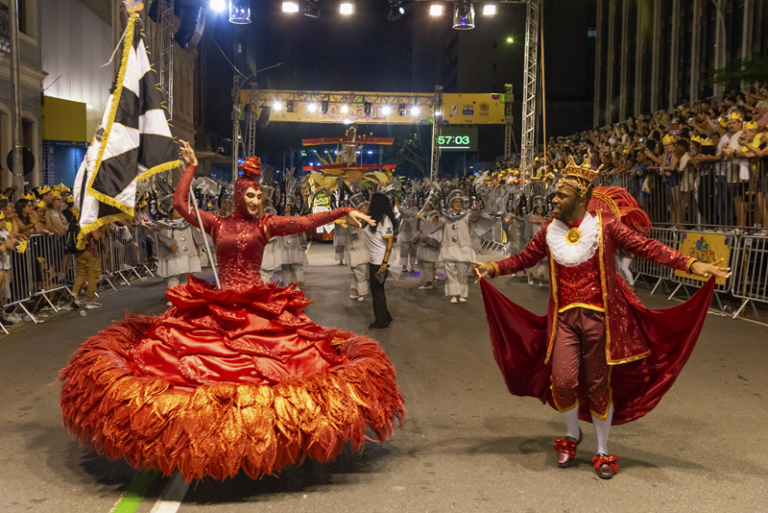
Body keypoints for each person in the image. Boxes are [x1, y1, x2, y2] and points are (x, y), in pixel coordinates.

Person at [60, 143, 405, 482]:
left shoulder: (266, 225)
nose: (256, 202)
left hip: (256, 306)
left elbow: (305, 220)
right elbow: (180, 204)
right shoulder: (216, 223)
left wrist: (343, 212)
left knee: (290, 361)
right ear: (238, 197)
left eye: (260, 196)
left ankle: (269, 438)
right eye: (250, 196)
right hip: (220, 304)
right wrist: (190, 167)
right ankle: (207, 436)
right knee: (182, 358)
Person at [472, 156, 729, 479]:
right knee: (563, 382)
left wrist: (692, 265)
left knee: (597, 386)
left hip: (602, 322)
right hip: (564, 320)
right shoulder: (549, 232)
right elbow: (525, 258)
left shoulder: (606, 227)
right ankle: (570, 435)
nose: (553, 200)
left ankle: (603, 450)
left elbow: (650, 248)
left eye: (560, 196)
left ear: (581, 197)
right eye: (555, 195)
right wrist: (493, 268)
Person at [439, 191, 482, 303]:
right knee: (450, 273)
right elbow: (437, 227)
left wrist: (478, 210)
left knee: (462, 273)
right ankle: (453, 295)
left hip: (463, 249)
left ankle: (462, 294)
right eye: (456, 201)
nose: (458, 203)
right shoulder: (445, 216)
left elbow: (476, 219)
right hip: (448, 247)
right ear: (451, 204)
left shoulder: (466, 215)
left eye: (460, 202)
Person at [155, 203, 202, 302]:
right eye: (177, 210)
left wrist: (197, 246)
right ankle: (174, 297)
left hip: (188, 253)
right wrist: (170, 244)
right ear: (172, 211)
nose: (179, 213)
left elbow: (194, 235)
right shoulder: (166, 224)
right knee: (174, 276)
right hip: (174, 255)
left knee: (185, 275)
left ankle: (184, 295)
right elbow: (163, 236)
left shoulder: (188, 223)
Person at [364, 192, 395, 328]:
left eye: (371, 201)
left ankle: (381, 321)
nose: (369, 203)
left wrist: (385, 262)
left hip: (379, 260)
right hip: (373, 259)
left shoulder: (384, 219)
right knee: (378, 290)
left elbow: (390, 241)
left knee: (376, 290)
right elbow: (360, 225)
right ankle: (385, 316)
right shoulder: (373, 219)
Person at [70, 226, 105, 310]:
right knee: (93, 275)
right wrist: (102, 231)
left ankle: (74, 293)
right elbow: (96, 237)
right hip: (90, 251)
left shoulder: (80, 220)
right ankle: (90, 301)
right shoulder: (91, 221)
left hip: (78, 251)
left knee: (81, 274)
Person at [344, 200, 370, 301]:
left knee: (358, 273)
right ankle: (362, 293)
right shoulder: (353, 219)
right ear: (360, 208)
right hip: (357, 251)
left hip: (362, 250)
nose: (368, 207)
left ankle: (354, 291)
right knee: (361, 273)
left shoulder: (364, 218)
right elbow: (361, 225)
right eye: (366, 205)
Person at [415, 203, 441, 290]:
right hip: (423, 242)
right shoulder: (425, 215)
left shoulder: (435, 215)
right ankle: (428, 281)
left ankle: (429, 283)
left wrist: (427, 238)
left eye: (427, 205)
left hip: (430, 243)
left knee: (428, 264)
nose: (425, 207)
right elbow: (419, 228)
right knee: (423, 263)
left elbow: (434, 228)